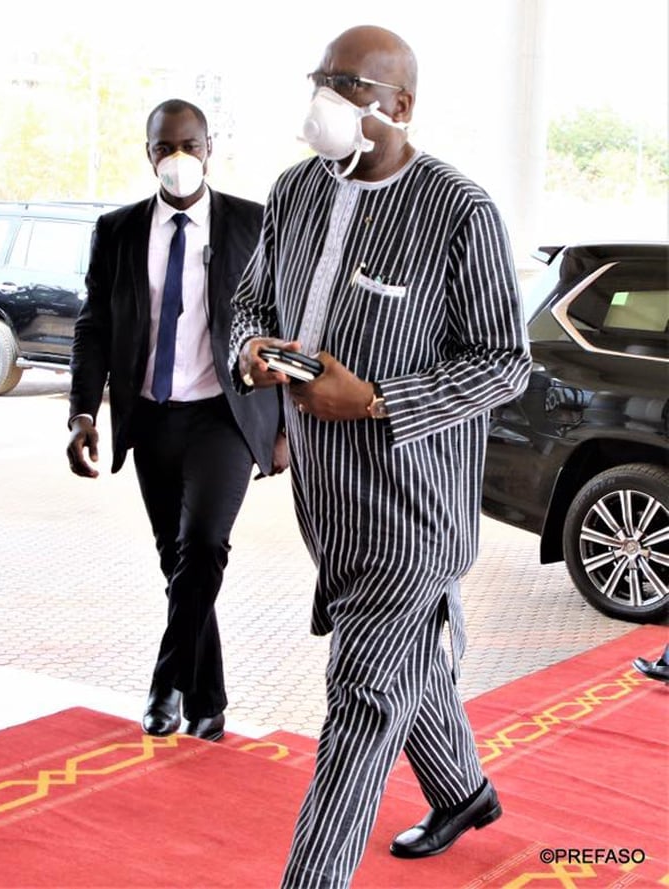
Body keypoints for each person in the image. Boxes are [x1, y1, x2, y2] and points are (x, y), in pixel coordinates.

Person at [229, 26, 531, 887]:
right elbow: (254, 297)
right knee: (403, 660)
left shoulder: (458, 210)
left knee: (361, 693)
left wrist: (376, 399)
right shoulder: (294, 192)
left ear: (398, 107)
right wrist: (256, 345)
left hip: (415, 509)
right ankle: (464, 791)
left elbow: (504, 361)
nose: (326, 99)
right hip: (330, 505)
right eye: (321, 80)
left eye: (349, 85)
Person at [67, 99, 284, 743]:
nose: (179, 158)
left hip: (226, 413)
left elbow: (285, 323)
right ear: (149, 154)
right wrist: (82, 413)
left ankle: (165, 682)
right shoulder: (118, 230)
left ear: (210, 148)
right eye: (166, 147)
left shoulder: (255, 223)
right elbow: (94, 329)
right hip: (153, 417)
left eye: (190, 145)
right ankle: (208, 697)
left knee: (204, 547)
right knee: (179, 563)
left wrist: (285, 429)